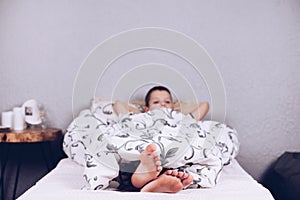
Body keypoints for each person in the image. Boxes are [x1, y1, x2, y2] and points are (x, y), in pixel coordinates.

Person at [113, 86, 209, 193]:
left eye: (167, 101)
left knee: (173, 153)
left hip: (170, 140)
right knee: (135, 154)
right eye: (156, 102)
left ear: (173, 106)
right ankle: (146, 177)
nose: (162, 104)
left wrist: (174, 111)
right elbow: (118, 104)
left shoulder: (180, 117)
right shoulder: (142, 116)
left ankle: (145, 180)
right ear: (147, 108)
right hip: (146, 145)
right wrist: (143, 111)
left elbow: (204, 105)